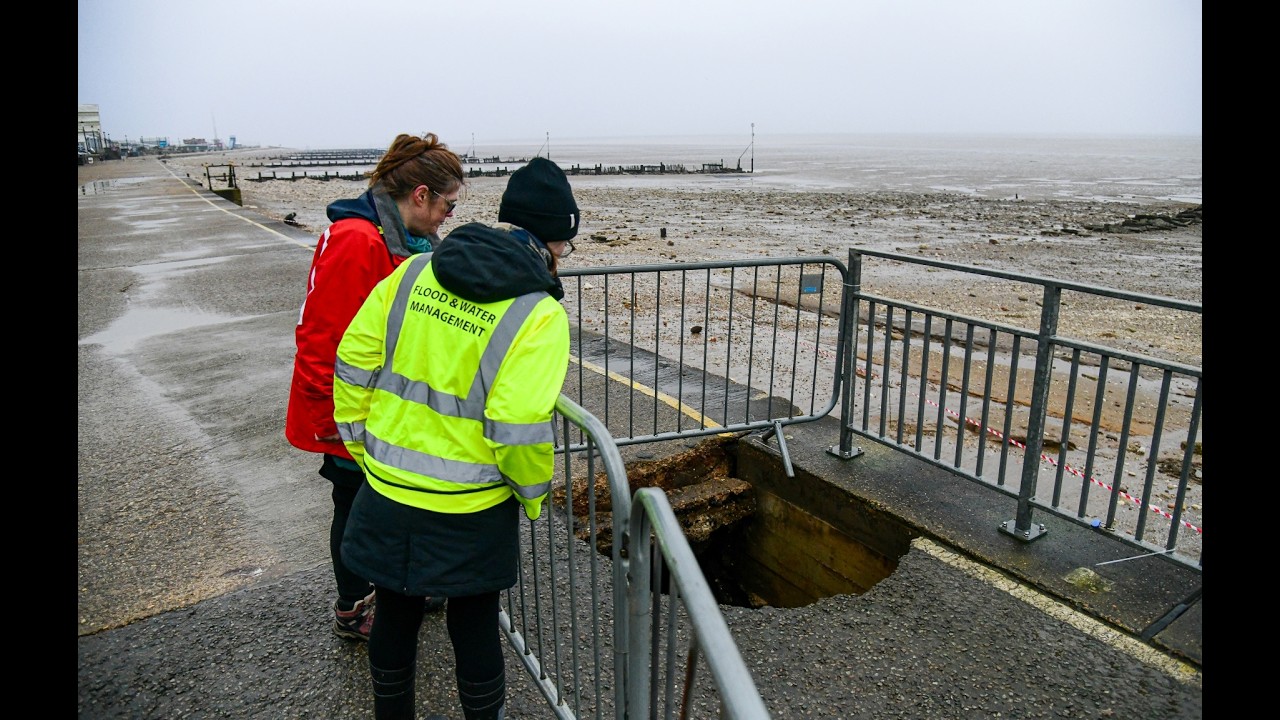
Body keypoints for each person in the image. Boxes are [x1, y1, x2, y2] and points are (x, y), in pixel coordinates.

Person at [333, 157, 580, 720]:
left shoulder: (415, 272)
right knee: (473, 627)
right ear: (557, 242)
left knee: (396, 615)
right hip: (470, 506)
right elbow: (516, 425)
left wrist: (361, 448)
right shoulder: (538, 313)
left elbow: (352, 361)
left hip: (389, 487)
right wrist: (533, 497)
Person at [284, 132, 464, 642]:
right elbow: (324, 339)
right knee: (354, 505)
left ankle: (394, 592)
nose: (449, 216)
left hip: (375, 405)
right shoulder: (356, 241)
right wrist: (340, 422)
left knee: (382, 507)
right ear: (421, 195)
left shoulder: (401, 239)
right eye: (448, 205)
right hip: (348, 409)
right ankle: (351, 609)